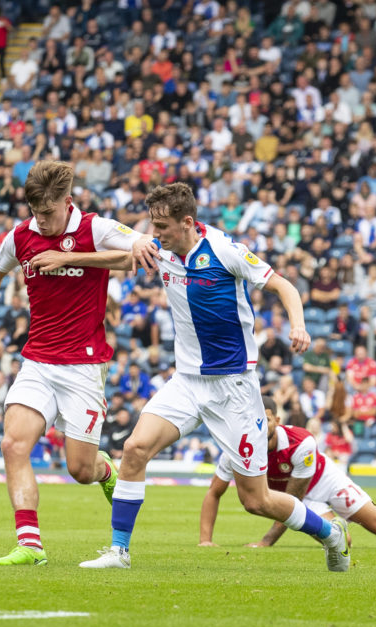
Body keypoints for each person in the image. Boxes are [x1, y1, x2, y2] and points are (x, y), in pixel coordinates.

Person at [76, 182, 351, 571]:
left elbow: (283, 285)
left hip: (233, 387)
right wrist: (64, 257)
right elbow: (120, 261)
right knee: (135, 449)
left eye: (163, 226)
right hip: (186, 381)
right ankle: (118, 551)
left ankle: (330, 533)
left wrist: (298, 326)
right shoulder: (162, 251)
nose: (156, 234)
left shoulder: (225, 250)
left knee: (256, 501)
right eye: (153, 226)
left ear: (188, 222)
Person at [0, 160, 157, 566]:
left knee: (80, 470)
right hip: (37, 361)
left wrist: (74, 256)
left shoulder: (94, 228)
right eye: (36, 213)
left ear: (68, 202)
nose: (42, 222)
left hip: (83, 366)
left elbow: (134, 252)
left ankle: (107, 473)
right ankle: (30, 545)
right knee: (13, 444)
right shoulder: (19, 237)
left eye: (48, 214)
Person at [200, 398, 376, 552]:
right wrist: (205, 541)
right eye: (255, 419)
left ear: (277, 420)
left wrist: (265, 542)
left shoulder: (301, 443)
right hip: (301, 499)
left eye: (266, 419)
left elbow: (294, 498)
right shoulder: (238, 449)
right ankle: (336, 530)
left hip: (323, 481)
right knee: (344, 542)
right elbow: (214, 492)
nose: (260, 425)